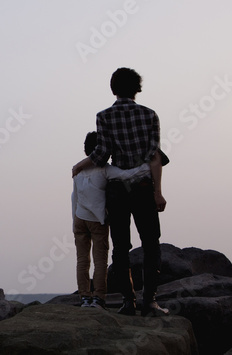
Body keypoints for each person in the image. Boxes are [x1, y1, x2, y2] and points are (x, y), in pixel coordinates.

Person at [72, 68, 169, 317]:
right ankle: (150, 301)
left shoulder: (104, 116)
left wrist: (80, 165)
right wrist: (158, 192)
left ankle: (128, 301)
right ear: (137, 88)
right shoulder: (149, 115)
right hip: (144, 187)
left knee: (120, 246)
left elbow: (102, 154)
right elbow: (155, 158)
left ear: (113, 89)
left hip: (118, 192)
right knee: (150, 244)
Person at [72, 131, 150, 310]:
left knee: (82, 260)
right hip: (98, 221)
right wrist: (146, 167)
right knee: (100, 261)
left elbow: (73, 197)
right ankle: (98, 298)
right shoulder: (105, 170)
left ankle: (84, 297)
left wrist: (73, 221)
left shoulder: (78, 170)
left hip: (79, 218)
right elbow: (127, 175)